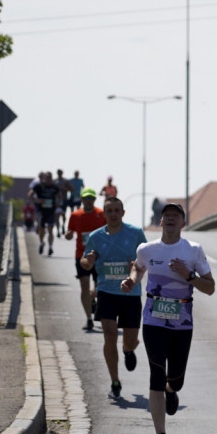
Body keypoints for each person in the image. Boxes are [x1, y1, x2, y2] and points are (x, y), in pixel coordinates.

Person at [121, 203, 214, 434]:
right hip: (153, 321)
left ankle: (172, 390)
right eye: (167, 216)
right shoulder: (147, 249)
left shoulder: (193, 250)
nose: (171, 219)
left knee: (176, 378)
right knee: (156, 374)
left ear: (183, 223)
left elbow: (210, 287)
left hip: (182, 322)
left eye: (176, 216)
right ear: (160, 222)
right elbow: (138, 268)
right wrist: (131, 280)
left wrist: (189, 276)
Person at [81, 196, 147, 398]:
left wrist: (135, 268)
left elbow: (145, 262)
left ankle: (128, 350)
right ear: (104, 214)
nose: (113, 214)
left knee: (131, 340)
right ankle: (115, 382)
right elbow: (84, 262)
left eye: (117, 210)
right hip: (106, 291)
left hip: (130, 292)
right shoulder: (95, 236)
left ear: (123, 213)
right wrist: (89, 261)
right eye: (109, 211)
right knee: (109, 335)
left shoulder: (135, 234)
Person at [65, 188, 106, 331]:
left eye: (91, 198)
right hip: (81, 255)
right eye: (86, 198)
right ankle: (89, 319)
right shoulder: (75, 215)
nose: (88, 201)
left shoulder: (101, 214)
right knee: (84, 285)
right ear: (81, 200)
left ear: (94, 200)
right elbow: (70, 231)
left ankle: (92, 298)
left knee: (99, 287)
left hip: (99, 256)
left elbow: (109, 231)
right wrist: (68, 234)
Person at [29, 171, 59, 255]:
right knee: (41, 230)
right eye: (46, 178)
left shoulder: (55, 187)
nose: (48, 179)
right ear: (43, 178)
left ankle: (50, 247)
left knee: (50, 229)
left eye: (50, 178)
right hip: (41, 211)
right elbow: (30, 195)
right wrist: (38, 200)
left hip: (51, 211)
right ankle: (41, 243)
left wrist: (58, 203)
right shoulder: (38, 186)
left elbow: (59, 196)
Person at [54, 169, 73, 237]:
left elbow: (72, 189)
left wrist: (65, 188)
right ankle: (58, 230)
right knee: (57, 216)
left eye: (60, 173)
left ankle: (63, 226)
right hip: (56, 202)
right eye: (58, 173)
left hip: (64, 200)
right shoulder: (54, 181)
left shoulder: (66, 181)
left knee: (63, 215)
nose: (59, 174)